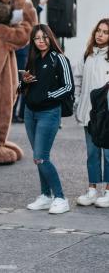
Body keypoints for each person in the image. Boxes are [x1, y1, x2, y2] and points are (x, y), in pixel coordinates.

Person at [22, 24, 74, 214]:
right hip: (30, 112)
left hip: (49, 113)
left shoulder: (59, 58)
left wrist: (48, 96)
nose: (41, 41)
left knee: (40, 157)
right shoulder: (33, 59)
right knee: (39, 156)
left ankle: (60, 197)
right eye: (37, 38)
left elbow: (68, 87)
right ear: (33, 41)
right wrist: (23, 82)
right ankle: (45, 196)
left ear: (50, 38)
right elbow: (26, 87)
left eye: (44, 37)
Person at [75, 19, 109, 207]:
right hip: (89, 113)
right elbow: (78, 80)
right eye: (99, 31)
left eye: (105, 32)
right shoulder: (87, 55)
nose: (100, 35)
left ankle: (108, 191)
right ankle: (92, 190)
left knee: (108, 154)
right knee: (92, 153)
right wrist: (78, 102)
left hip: (107, 115)